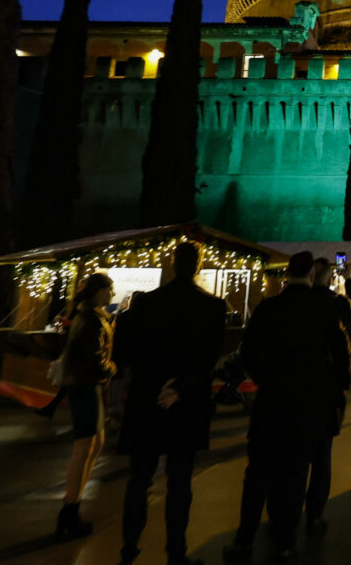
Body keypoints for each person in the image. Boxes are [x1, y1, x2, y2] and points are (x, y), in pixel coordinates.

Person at [223, 251, 351, 563]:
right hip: (308, 402)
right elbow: (340, 356)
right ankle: (286, 540)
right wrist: (334, 389)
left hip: (271, 401)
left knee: (258, 474)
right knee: (295, 474)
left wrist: (265, 377)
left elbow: (249, 351)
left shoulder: (269, 307)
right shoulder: (323, 308)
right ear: (311, 275)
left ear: (286, 274)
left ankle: (244, 539)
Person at [114, 242, 226, 565]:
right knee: (180, 480)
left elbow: (125, 353)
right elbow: (208, 359)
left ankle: (128, 550)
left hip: (147, 398)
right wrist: (179, 387)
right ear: (198, 265)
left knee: (139, 479)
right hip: (186, 401)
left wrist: (154, 381)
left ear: (173, 264)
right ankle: (176, 552)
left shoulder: (146, 304)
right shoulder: (211, 307)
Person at [55, 272, 117, 540]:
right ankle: (70, 509)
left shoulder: (91, 316)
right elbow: (95, 358)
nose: (112, 294)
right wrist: (112, 367)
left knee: (94, 443)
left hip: (88, 385)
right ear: (97, 292)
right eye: (109, 290)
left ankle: (72, 507)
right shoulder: (90, 319)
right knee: (85, 446)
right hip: (86, 386)